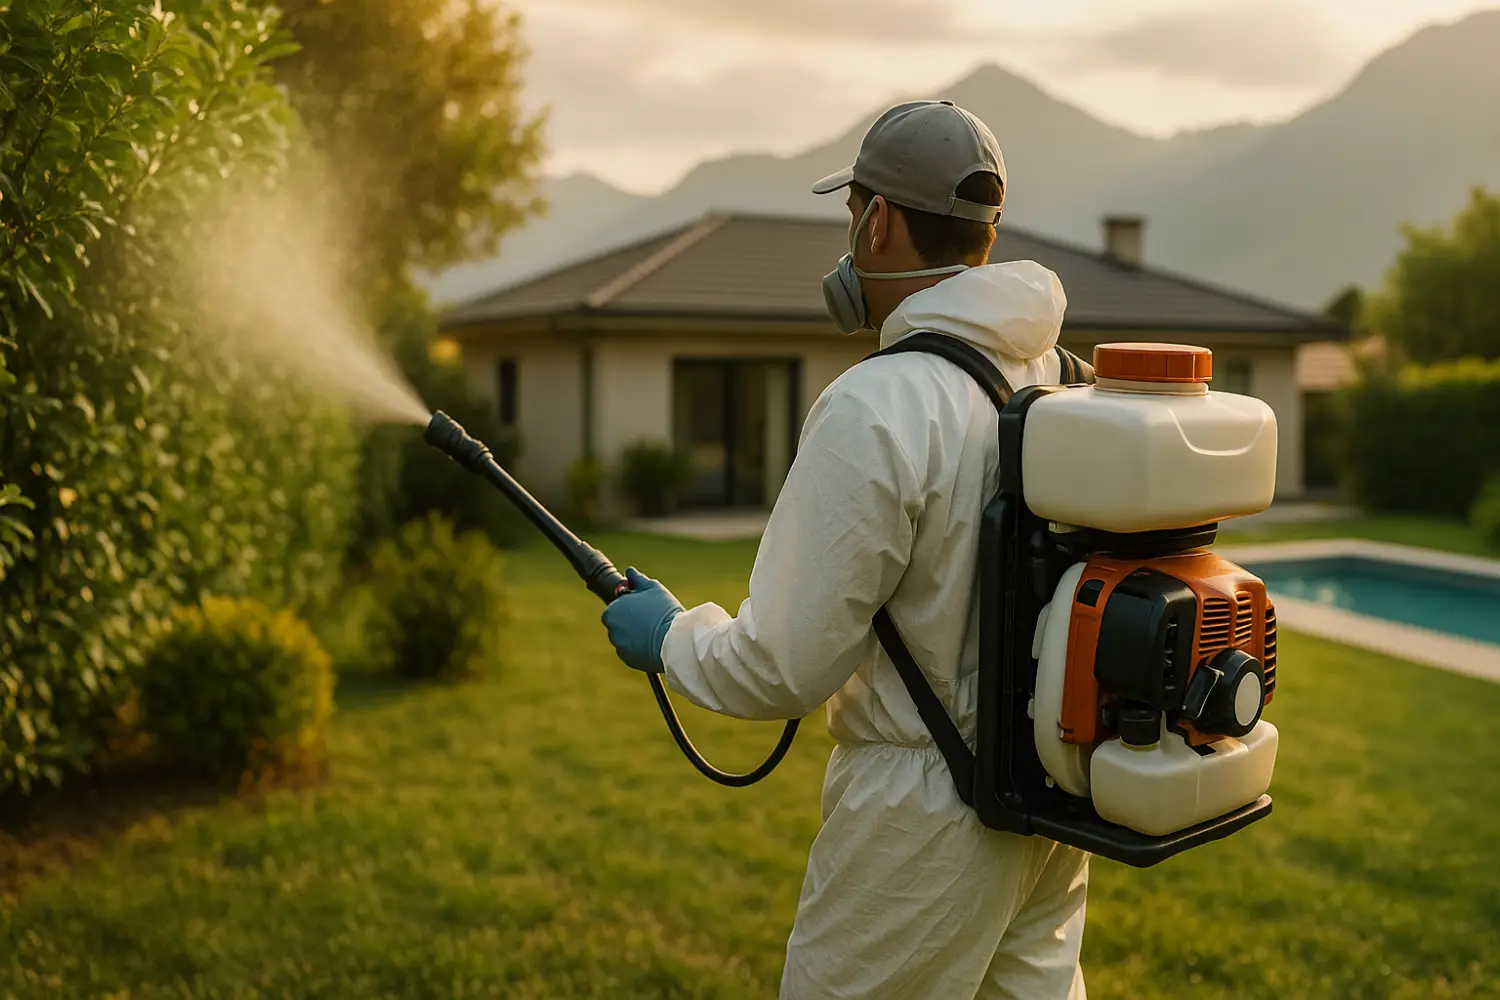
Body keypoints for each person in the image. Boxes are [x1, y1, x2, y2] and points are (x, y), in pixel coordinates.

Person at [601, 100, 1090, 1000]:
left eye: (852, 210)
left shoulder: (878, 404)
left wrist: (670, 635)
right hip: (1044, 799)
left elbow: (781, 666)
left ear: (879, 220)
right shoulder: (1055, 376)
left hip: (921, 819)